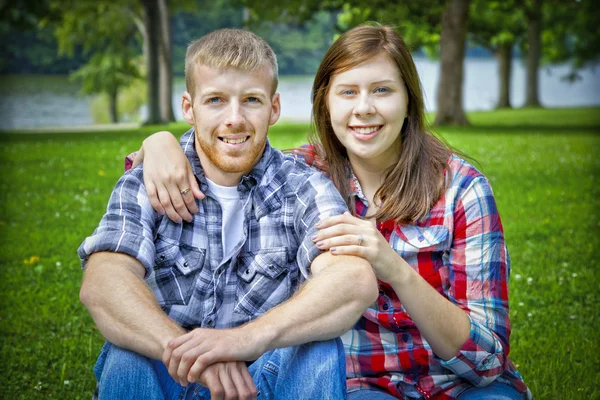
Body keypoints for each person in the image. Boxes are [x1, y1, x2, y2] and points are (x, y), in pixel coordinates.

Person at [130, 24, 532, 400]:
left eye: (382, 90)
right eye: (348, 92)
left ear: (409, 100)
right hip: (363, 385)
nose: (364, 109)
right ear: (325, 101)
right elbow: (224, 153)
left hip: (464, 385)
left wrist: (395, 268)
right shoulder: (303, 175)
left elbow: (486, 360)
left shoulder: (462, 188)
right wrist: (159, 143)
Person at [78, 28, 379, 400]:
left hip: (261, 380)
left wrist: (239, 342)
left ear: (274, 108)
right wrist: (194, 354)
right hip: (169, 372)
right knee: (127, 357)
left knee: (319, 349)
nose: (234, 118)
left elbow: (353, 280)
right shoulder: (149, 180)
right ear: (189, 108)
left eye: (251, 100)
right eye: (216, 100)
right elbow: (103, 281)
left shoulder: (303, 186)